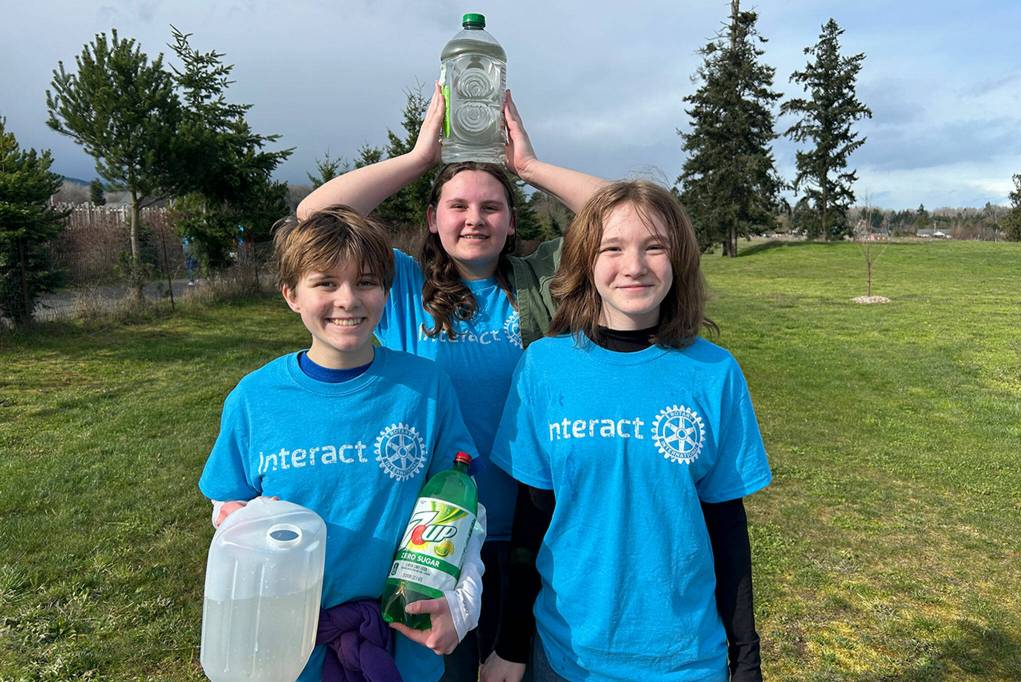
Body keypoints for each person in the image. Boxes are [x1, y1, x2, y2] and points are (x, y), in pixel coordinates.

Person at [297, 85, 607, 681]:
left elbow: (626, 214)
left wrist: (528, 166)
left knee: (518, 667)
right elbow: (316, 218)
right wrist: (420, 159)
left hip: (534, 525)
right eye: (457, 206)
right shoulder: (401, 285)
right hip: (432, 537)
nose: (474, 219)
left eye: (491, 207)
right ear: (433, 220)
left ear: (510, 222)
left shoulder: (544, 281)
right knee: (448, 672)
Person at [481, 181, 772, 681]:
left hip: (685, 660)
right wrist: (510, 644)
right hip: (567, 656)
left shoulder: (715, 373)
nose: (633, 266)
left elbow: (727, 528)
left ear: (679, 258)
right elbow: (532, 519)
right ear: (584, 262)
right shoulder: (544, 367)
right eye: (611, 248)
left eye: (654, 247)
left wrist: (746, 661)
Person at [198, 206, 486, 682]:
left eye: (366, 282)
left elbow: (461, 504)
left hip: (400, 634)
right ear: (292, 295)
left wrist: (465, 598)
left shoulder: (425, 388)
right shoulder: (255, 398)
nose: (348, 299)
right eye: (326, 283)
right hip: (289, 646)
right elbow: (227, 502)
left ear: (386, 292)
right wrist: (237, 517)